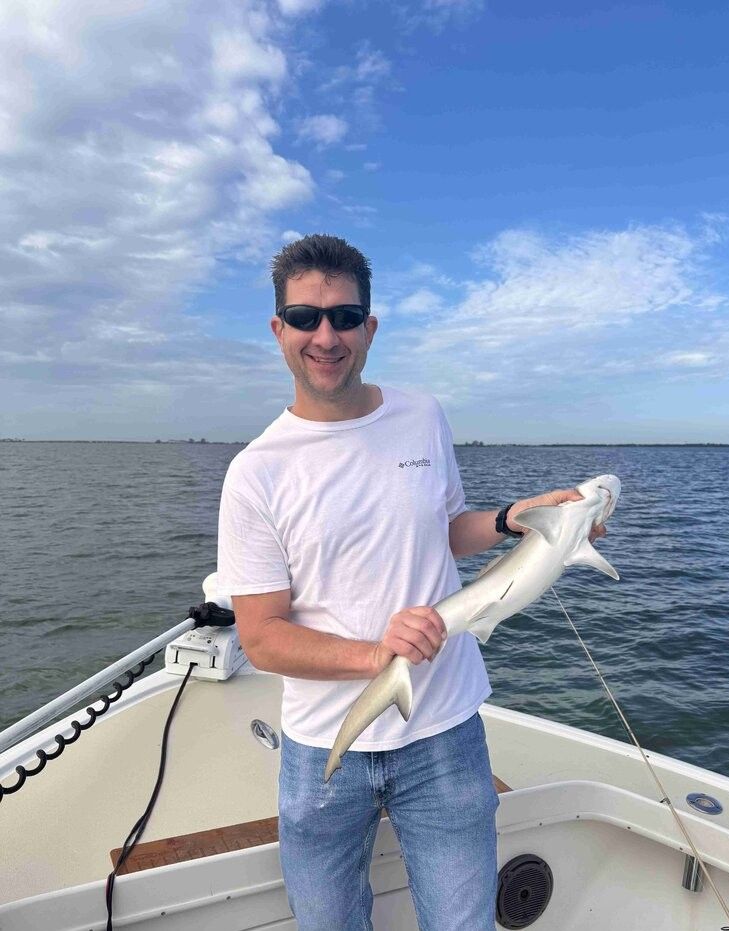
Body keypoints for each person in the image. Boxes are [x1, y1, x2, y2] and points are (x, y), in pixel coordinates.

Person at [216, 234, 604, 931]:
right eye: (305, 317)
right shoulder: (256, 472)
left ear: (370, 326)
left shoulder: (421, 414)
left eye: (344, 316)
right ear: (279, 329)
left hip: (445, 730)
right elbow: (263, 637)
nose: (325, 335)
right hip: (323, 747)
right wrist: (378, 655)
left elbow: (448, 525)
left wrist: (519, 520)